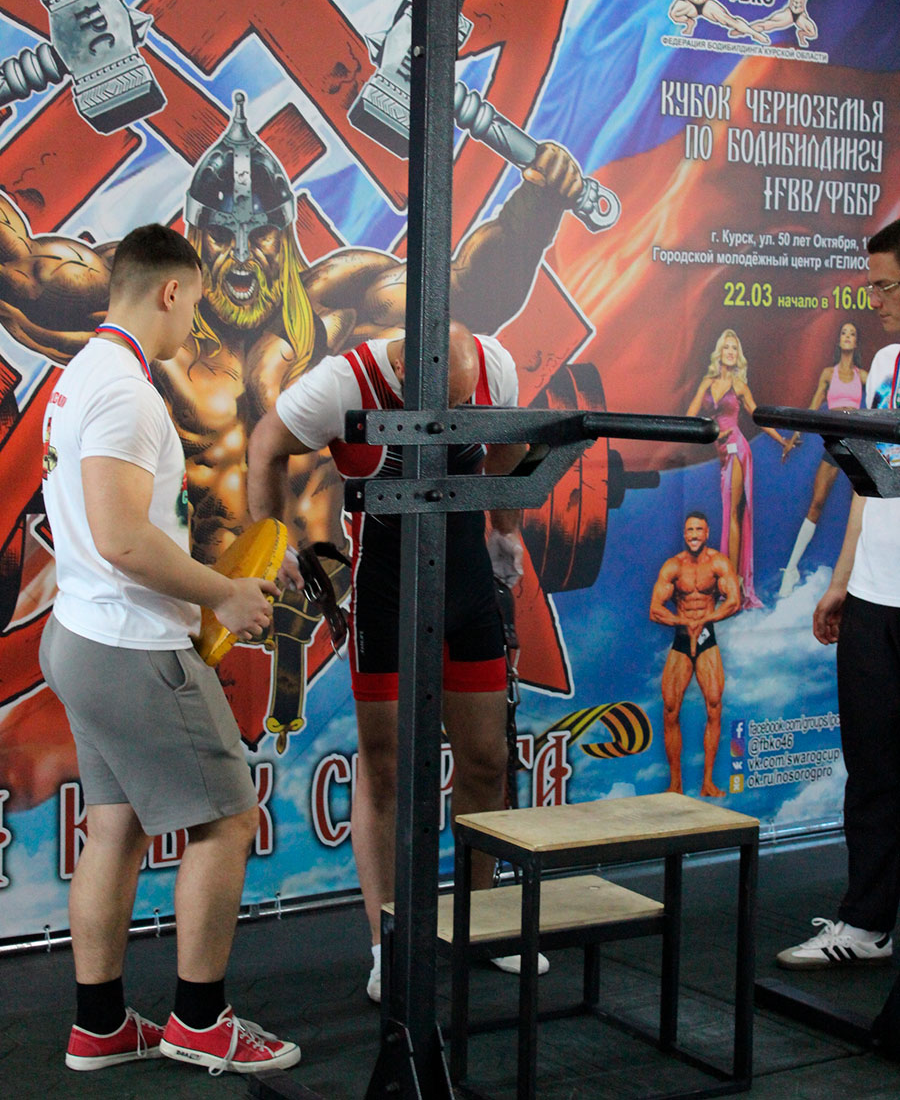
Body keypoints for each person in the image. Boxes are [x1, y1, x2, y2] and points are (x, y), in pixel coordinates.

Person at [0, 96, 587, 747]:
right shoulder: (138, 312)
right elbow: (17, 269)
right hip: (179, 609)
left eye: (261, 235)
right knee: (198, 796)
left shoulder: (342, 300)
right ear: (194, 237)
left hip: (310, 604)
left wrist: (535, 207)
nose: (241, 256)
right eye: (221, 235)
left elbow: (469, 292)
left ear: (288, 233)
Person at [39, 224, 301, 1075]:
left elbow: (120, 529)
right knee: (227, 820)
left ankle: (100, 1026)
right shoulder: (125, 390)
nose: (197, 324)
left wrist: (226, 568)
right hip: (131, 646)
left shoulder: (81, 376)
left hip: (84, 636)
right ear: (171, 291)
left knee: (115, 827)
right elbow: (121, 538)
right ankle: (199, 1021)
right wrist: (222, 593)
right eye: (195, 304)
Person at [247, 321, 545, 1002]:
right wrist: (271, 540)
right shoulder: (343, 384)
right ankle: (388, 944)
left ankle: (481, 924)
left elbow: (509, 444)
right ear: (407, 372)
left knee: (486, 760)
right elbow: (266, 445)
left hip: (467, 585)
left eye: (462, 403)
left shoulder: (493, 365)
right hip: (386, 594)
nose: (453, 414)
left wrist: (505, 530)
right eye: (440, 402)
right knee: (384, 769)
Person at [777, 219, 900, 970]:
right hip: (877, 595)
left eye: (884, 287)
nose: (873, 301)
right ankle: (866, 923)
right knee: (874, 766)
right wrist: (842, 581)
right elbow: (868, 480)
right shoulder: (886, 361)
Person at [686, 328, 795, 609]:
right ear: (720, 352)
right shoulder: (707, 383)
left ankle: (731, 580)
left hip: (737, 449)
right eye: (727, 348)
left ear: (739, 355)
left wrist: (782, 441)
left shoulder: (740, 387)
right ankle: (731, 579)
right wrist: (711, 432)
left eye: (735, 348)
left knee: (732, 514)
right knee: (729, 513)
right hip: (721, 451)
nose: (731, 353)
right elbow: (690, 417)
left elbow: (759, 417)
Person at [649, 512, 741, 797]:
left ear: (707, 533)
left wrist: (704, 619)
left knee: (714, 706)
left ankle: (707, 783)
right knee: (670, 710)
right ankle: (675, 785)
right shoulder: (673, 566)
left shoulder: (718, 563)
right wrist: (683, 621)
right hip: (681, 638)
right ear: (684, 533)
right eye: (689, 530)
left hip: (705, 638)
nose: (694, 535)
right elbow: (655, 609)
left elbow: (734, 601)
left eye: (699, 529)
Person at [778, 322, 866, 598]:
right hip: (835, 442)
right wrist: (793, 437)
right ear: (839, 341)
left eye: (852, 333)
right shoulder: (829, 374)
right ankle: (790, 570)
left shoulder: (863, 375)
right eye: (844, 333)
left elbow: (883, 403)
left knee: (860, 510)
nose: (847, 337)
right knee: (816, 503)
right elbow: (813, 407)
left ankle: (858, 574)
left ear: (856, 342)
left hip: (856, 444)